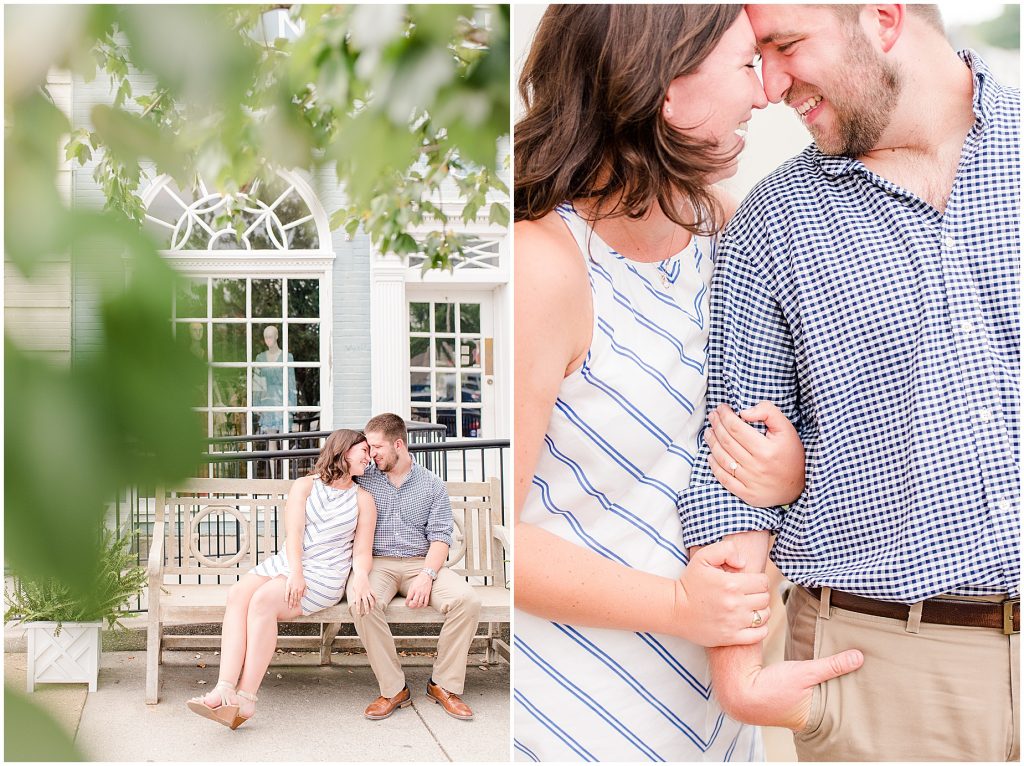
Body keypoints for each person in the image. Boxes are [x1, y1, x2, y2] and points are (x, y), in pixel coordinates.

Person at [514, 6, 862, 761]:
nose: (769, 91)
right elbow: (501, 545)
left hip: (709, 715)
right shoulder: (543, 266)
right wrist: (676, 604)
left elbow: (790, 436)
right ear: (666, 91)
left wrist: (792, 472)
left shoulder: (729, 235)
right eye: (746, 64)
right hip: (571, 712)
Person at [681, 4, 1019, 761]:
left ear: (885, 17)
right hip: (884, 670)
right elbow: (733, 467)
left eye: (787, 46)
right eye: (757, 57)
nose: (769, 86)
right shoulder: (773, 223)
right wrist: (739, 678)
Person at [186, 429, 377, 728]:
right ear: (343, 450)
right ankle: (224, 687)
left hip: (325, 575)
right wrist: (295, 573)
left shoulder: (363, 499)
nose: (370, 457)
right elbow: (295, 534)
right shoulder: (304, 486)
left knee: (262, 602)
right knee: (238, 594)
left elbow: (362, 551)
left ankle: (246, 697)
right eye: (364, 450)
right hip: (292, 564)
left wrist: (362, 576)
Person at [350, 413, 481, 721]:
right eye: (368, 448)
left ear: (399, 444)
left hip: (420, 563)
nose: (371, 454)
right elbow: (326, 478)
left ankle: (443, 686)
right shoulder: (363, 477)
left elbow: (440, 539)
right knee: (362, 603)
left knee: (466, 601)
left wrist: (427, 575)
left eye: (377, 447)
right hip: (377, 563)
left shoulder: (432, 485)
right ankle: (394, 689)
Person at [253, 324, 296, 434]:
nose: (268, 340)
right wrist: (256, 404)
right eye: (266, 337)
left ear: (276, 336)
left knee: (284, 437)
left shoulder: (287, 357)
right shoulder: (260, 358)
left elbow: (291, 381)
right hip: (266, 400)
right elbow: (257, 382)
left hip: (282, 399)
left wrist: (293, 404)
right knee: (271, 438)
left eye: (270, 336)